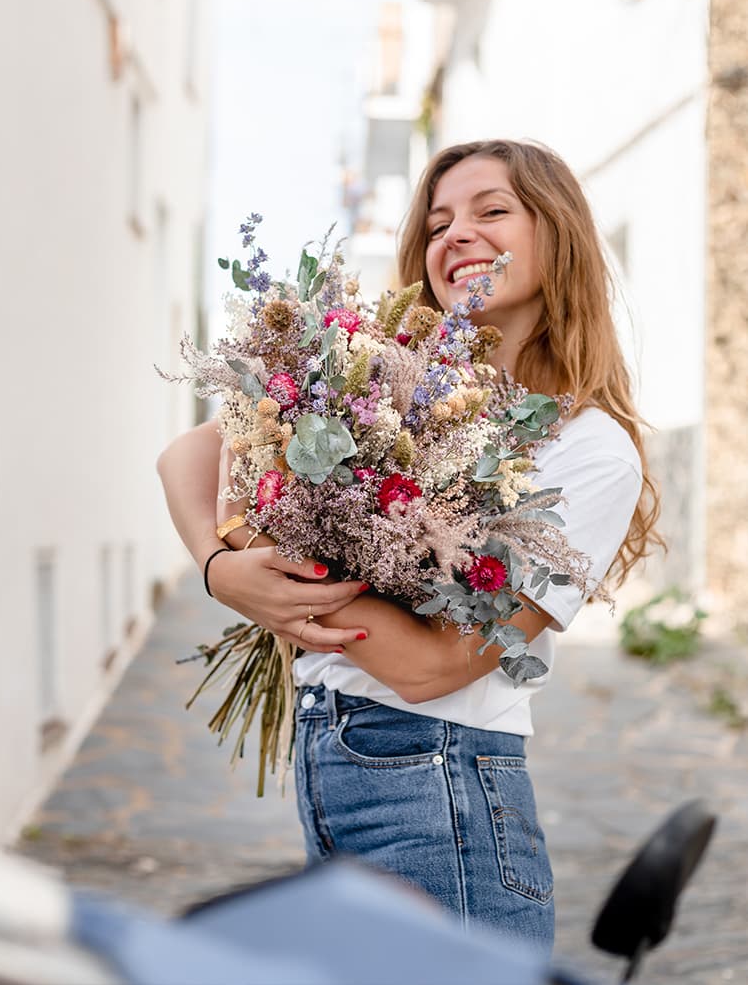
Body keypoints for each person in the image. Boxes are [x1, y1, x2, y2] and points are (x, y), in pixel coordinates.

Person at [156, 139, 661, 952]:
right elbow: (188, 454)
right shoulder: (378, 379)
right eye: (437, 222)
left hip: (440, 789)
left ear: (557, 236)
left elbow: (436, 664)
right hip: (341, 764)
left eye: (491, 210)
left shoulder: (591, 449)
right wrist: (229, 571)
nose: (456, 233)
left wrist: (284, 577)